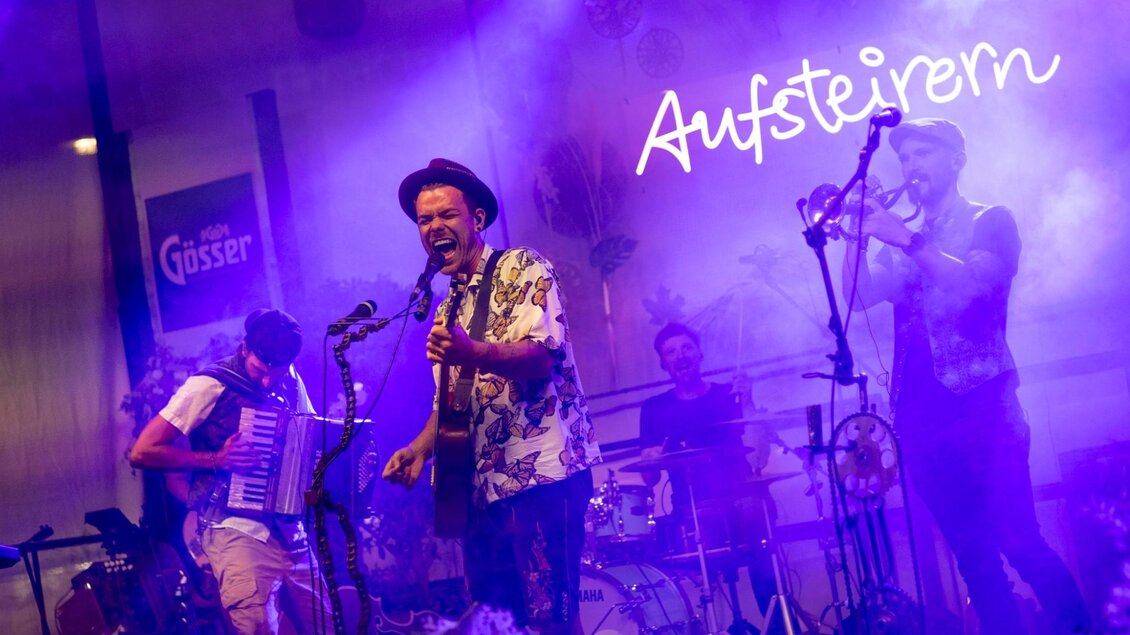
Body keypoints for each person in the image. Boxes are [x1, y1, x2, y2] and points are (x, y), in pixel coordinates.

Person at [842, 118, 1089, 634]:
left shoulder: (990, 219)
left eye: (923, 154)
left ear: (956, 159)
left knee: (1020, 541)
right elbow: (859, 297)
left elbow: (974, 287)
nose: (912, 166)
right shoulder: (904, 237)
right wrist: (856, 234)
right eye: (905, 158)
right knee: (974, 562)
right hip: (919, 420)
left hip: (984, 410)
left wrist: (904, 238)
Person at [382, 158, 601, 633]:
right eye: (424, 219)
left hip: (543, 477)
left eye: (446, 215)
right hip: (483, 492)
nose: (434, 226)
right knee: (500, 623)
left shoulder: (522, 266)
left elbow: (540, 357)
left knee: (552, 621)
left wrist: (469, 349)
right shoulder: (447, 306)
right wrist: (420, 449)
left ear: (476, 219)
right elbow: (452, 405)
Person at [129, 309, 329, 634]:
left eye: (274, 374)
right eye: (259, 370)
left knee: (326, 625)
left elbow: (308, 443)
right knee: (258, 627)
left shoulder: (291, 381)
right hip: (233, 529)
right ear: (244, 348)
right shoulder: (209, 385)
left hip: (289, 531)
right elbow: (142, 451)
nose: (266, 381)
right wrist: (216, 459)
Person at [638, 322, 785, 635]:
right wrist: (649, 459)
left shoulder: (727, 395)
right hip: (693, 511)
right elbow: (649, 480)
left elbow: (760, 456)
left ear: (700, 354)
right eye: (671, 352)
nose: (681, 355)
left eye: (687, 347)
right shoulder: (654, 409)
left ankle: (780, 627)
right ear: (664, 364)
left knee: (756, 526)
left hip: (742, 499)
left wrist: (747, 401)